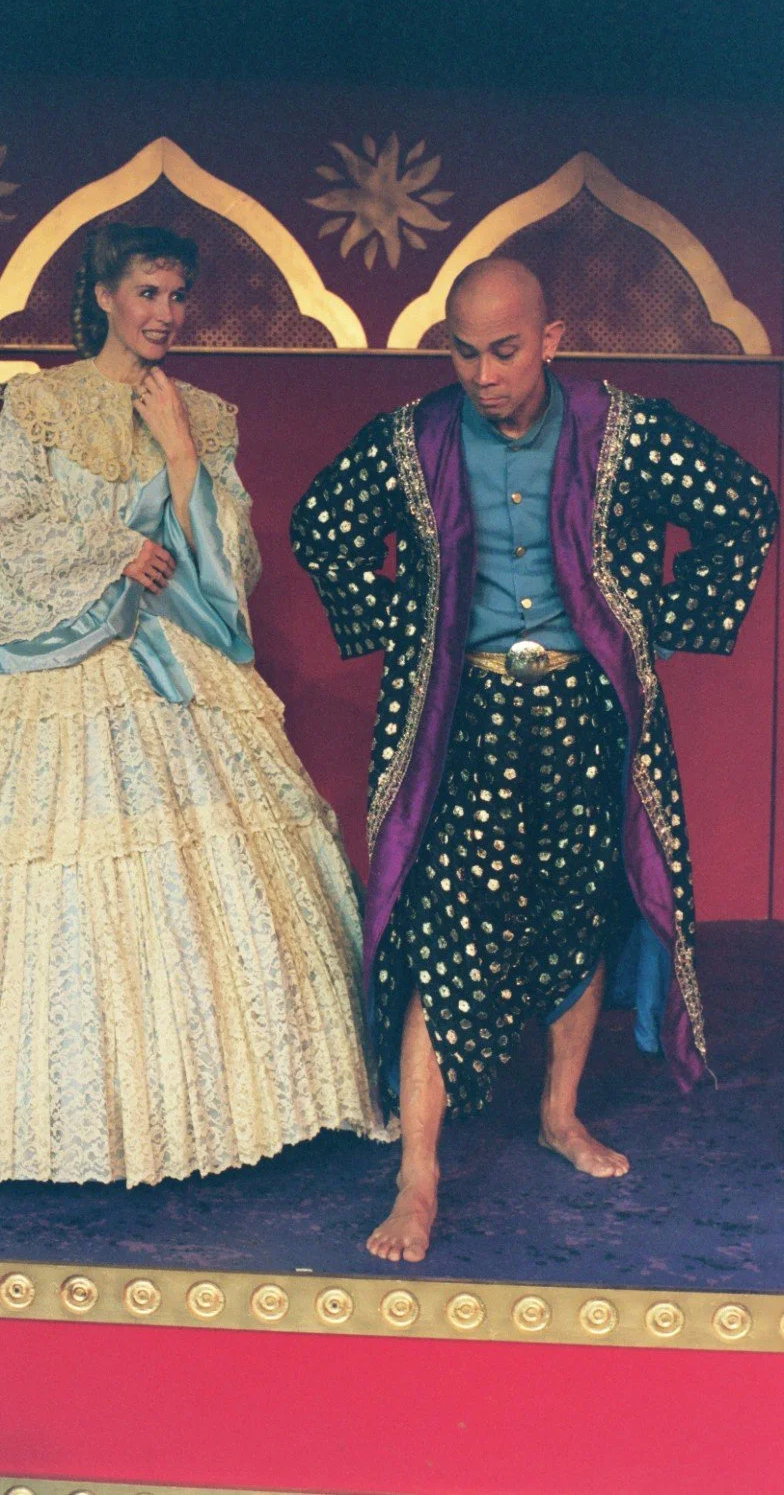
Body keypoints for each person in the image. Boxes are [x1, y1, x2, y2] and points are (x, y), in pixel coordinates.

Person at [0, 222, 389, 1185]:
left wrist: (183, 452)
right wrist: (111, 546)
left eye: (178, 296)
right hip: (52, 656)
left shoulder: (204, 414)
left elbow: (227, 571)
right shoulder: (43, 405)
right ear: (104, 294)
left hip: (174, 667)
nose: (164, 314)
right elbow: (0, 531)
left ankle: (204, 1109)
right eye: (148, 293)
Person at [291, 257, 778, 1262]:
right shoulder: (416, 439)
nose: (481, 373)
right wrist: (409, 625)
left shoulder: (622, 431)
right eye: (463, 352)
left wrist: (653, 627)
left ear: (550, 339)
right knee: (445, 923)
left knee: (576, 910)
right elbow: (322, 529)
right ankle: (417, 1173)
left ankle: (558, 1114)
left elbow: (745, 504)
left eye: (504, 351)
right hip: (463, 713)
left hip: (579, 710)